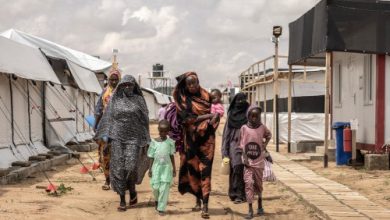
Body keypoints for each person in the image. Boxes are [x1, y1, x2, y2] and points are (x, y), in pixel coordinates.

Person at [95, 74, 150, 212]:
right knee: (118, 168)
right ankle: (122, 200)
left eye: (130, 85)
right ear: (121, 86)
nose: (127, 87)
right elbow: (107, 118)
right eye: (124, 85)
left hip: (134, 138)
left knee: (130, 166)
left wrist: (146, 139)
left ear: (134, 86)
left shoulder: (139, 100)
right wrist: (104, 137)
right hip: (117, 138)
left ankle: (132, 190)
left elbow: (145, 120)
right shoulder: (115, 99)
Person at [174, 72, 220, 219]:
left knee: (205, 172)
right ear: (185, 86)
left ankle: (205, 205)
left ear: (198, 82)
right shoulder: (183, 101)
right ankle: (197, 200)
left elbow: (217, 113)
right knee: (193, 171)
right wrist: (208, 116)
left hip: (207, 140)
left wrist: (215, 118)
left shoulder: (207, 96)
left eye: (194, 82)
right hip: (191, 140)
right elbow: (186, 119)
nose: (192, 86)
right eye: (189, 84)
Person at [240, 106, 271, 219]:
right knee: (248, 184)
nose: (254, 118)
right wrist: (244, 158)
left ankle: (260, 205)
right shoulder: (244, 128)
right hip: (248, 162)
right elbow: (242, 145)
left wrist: (264, 145)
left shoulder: (262, 128)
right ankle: (250, 210)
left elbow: (269, 135)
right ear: (248, 116)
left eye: (256, 116)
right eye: (252, 116)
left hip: (259, 162)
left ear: (259, 117)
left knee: (258, 185)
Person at [94, 69, 120, 190]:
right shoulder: (104, 92)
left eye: (116, 80)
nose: (113, 82)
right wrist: (96, 125)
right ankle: (107, 180)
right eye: (111, 79)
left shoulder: (123, 92)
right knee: (105, 154)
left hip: (119, 127)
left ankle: (118, 180)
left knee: (119, 155)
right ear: (108, 80)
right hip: (105, 127)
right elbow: (99, 109)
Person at [221, 93, 250, 203]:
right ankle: (236, 194)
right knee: (236, 168)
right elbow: (226, 134)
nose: (240, 103)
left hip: (247, 146)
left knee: (245, 170)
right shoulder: (231, 115)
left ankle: (244, 193)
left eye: (242, 100)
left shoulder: (249, 114)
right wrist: (225, 151)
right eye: (238, 101)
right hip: (234, 145)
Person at [148, 119, 176, 216]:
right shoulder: (153, 142)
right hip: (156, 168)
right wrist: (150, 169)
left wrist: (174, 169)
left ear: (168, 131)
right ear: (158, 130)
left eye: (165, 131)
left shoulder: (170, 142)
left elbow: (172, 156)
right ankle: (157, 200)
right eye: (161, 131)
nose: (162, 133)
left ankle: (161, 208)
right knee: (155, 187)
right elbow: (151, 156)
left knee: (164, 188)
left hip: (166, 168)